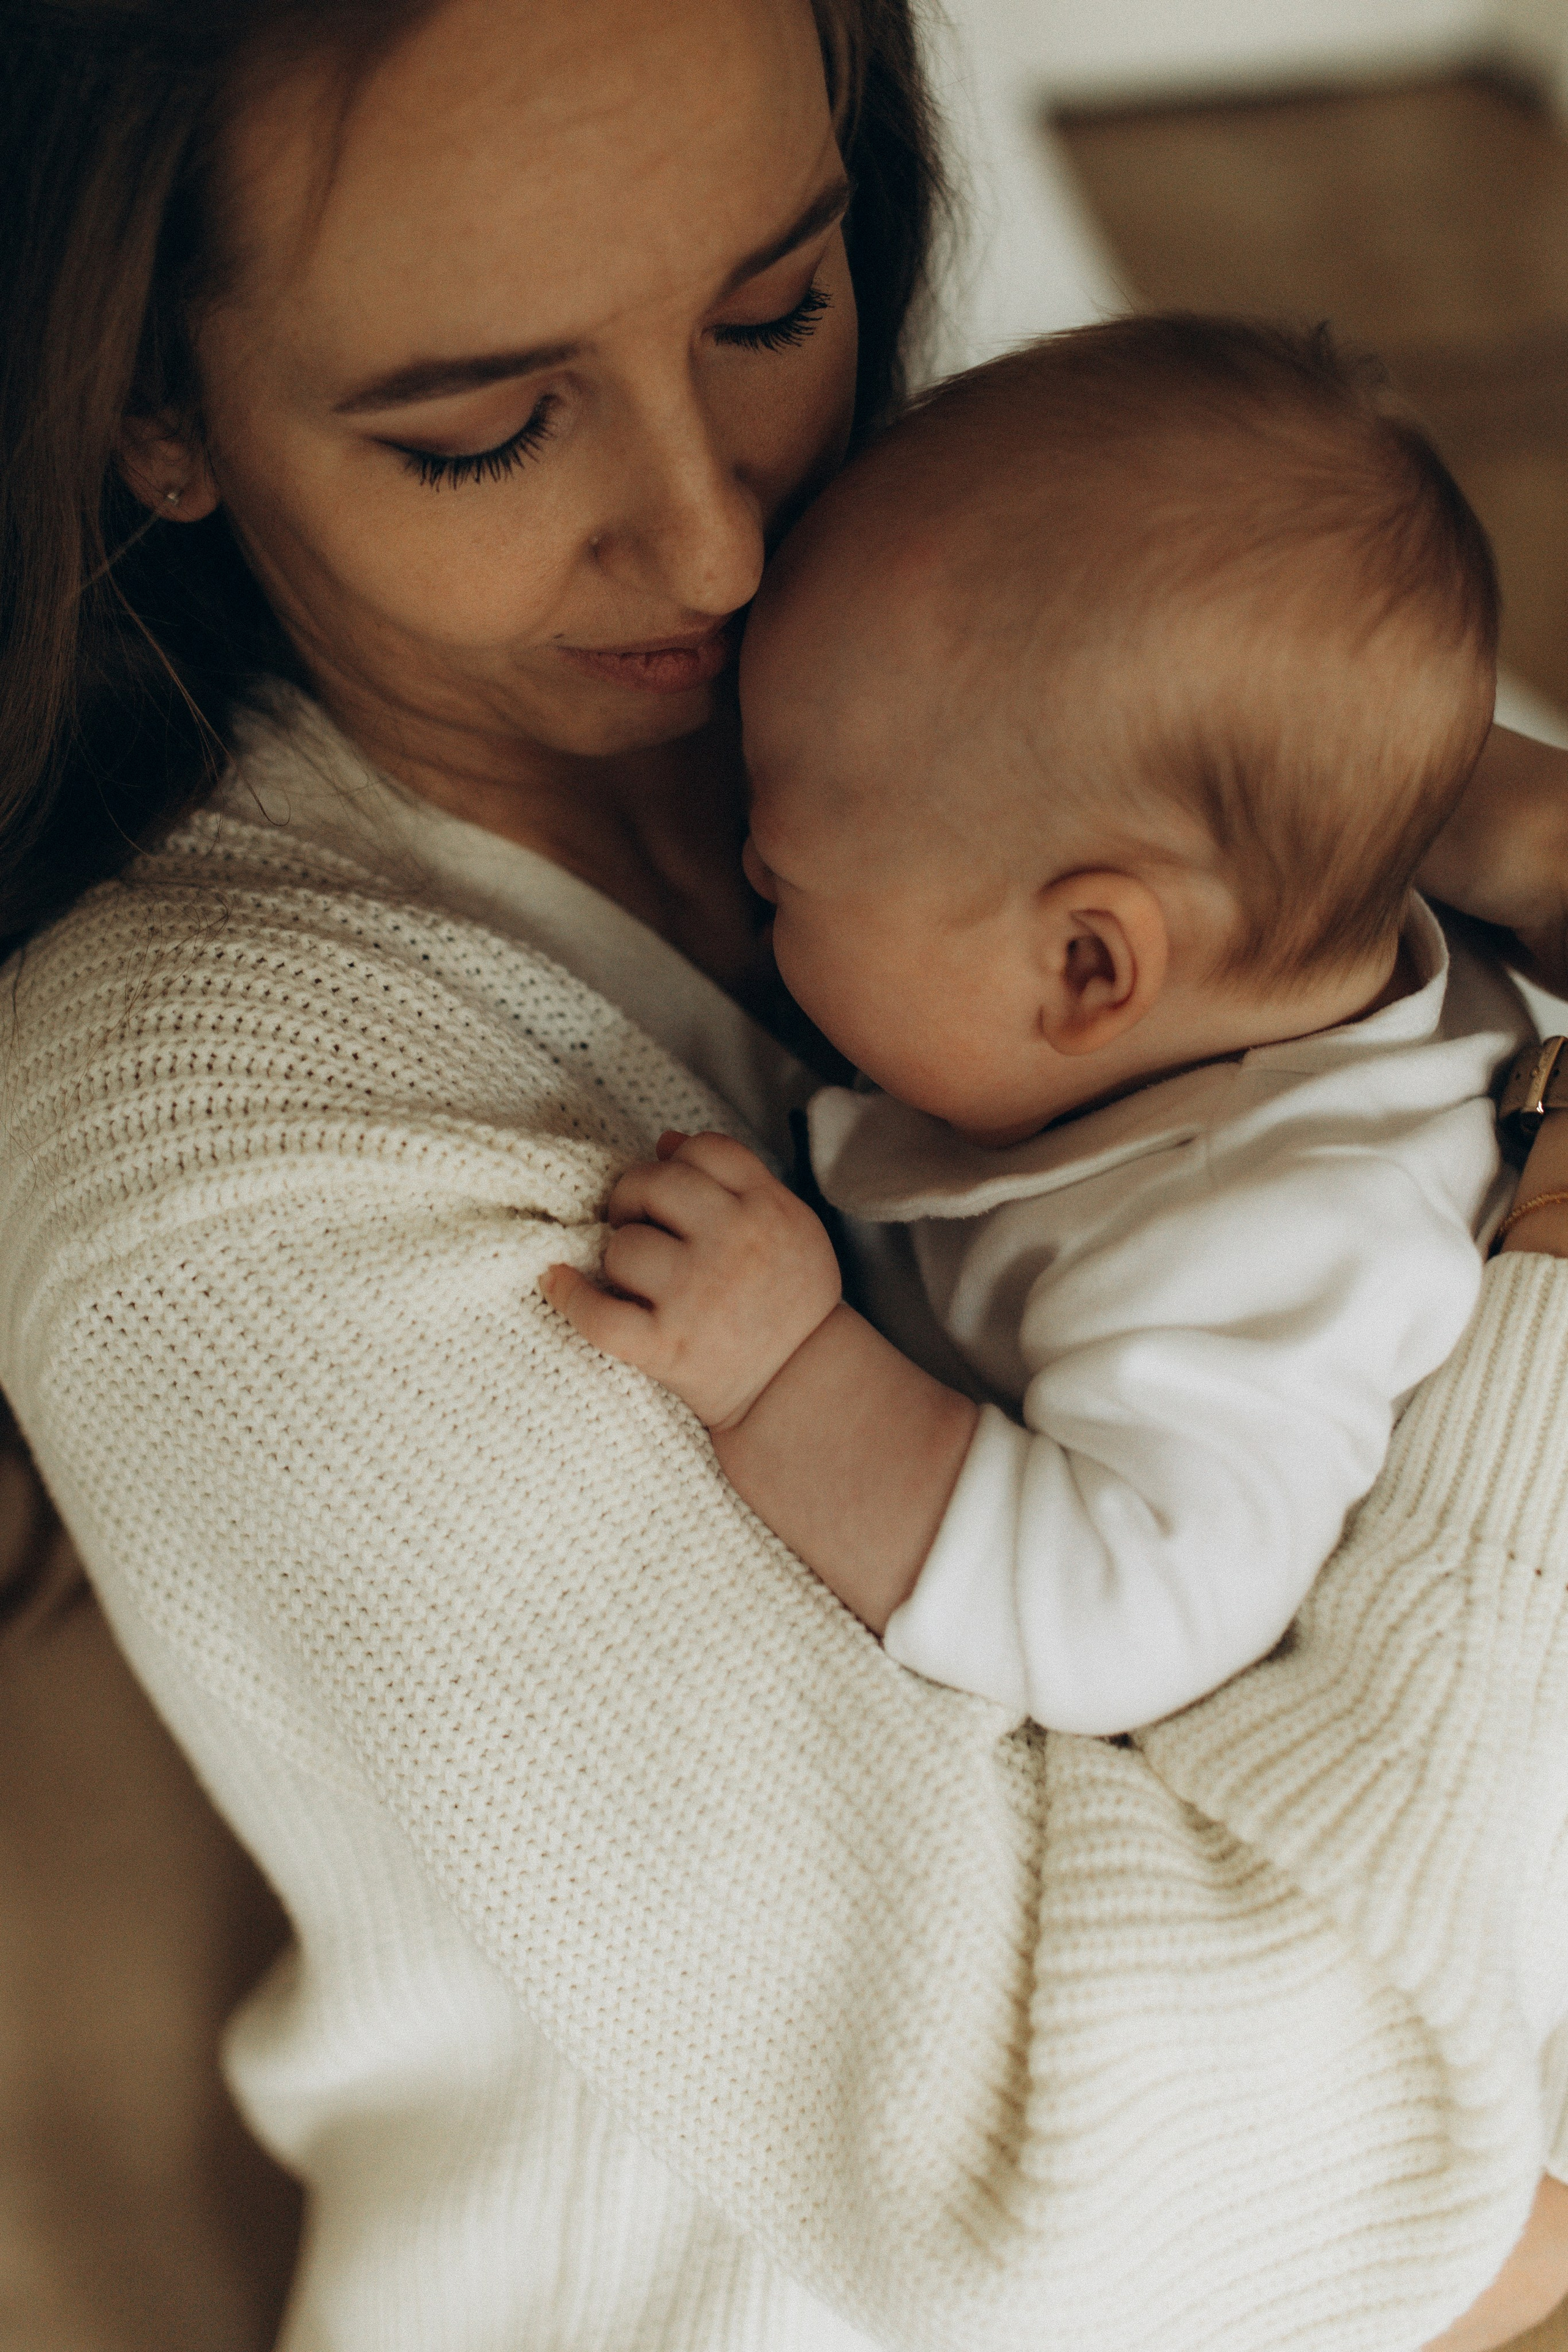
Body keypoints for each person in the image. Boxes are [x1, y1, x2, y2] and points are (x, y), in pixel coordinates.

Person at [2, 2, 1567, 2346]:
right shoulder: (210, 1138)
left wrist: (1419, 815)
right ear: (154, 414)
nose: (723, 536)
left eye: (777, 307)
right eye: (484, 431)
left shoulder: (993, 620)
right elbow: (1111, 2222)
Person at [545, 314, 1530, 1736]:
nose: (740, 867)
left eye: (784, 867)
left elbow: (1125, 1615)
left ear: (1083, 968)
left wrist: (788, 1369)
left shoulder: (1270, 1249)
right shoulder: (1305, 974)